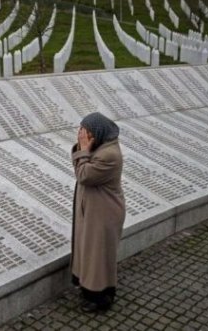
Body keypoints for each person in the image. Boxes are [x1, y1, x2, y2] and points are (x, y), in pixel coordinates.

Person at [70, 112, 126, 313]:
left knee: (98, 256)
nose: (82, 135)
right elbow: (80, 167)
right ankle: (90, 289)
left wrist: (84, 149)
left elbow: (83, 175)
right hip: (95, 210)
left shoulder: (109, 155)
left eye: (86, 132)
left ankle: (100, 298)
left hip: (104, 213)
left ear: (98, 133)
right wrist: (83, 149)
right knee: (91, 253)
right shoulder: (100, 147)